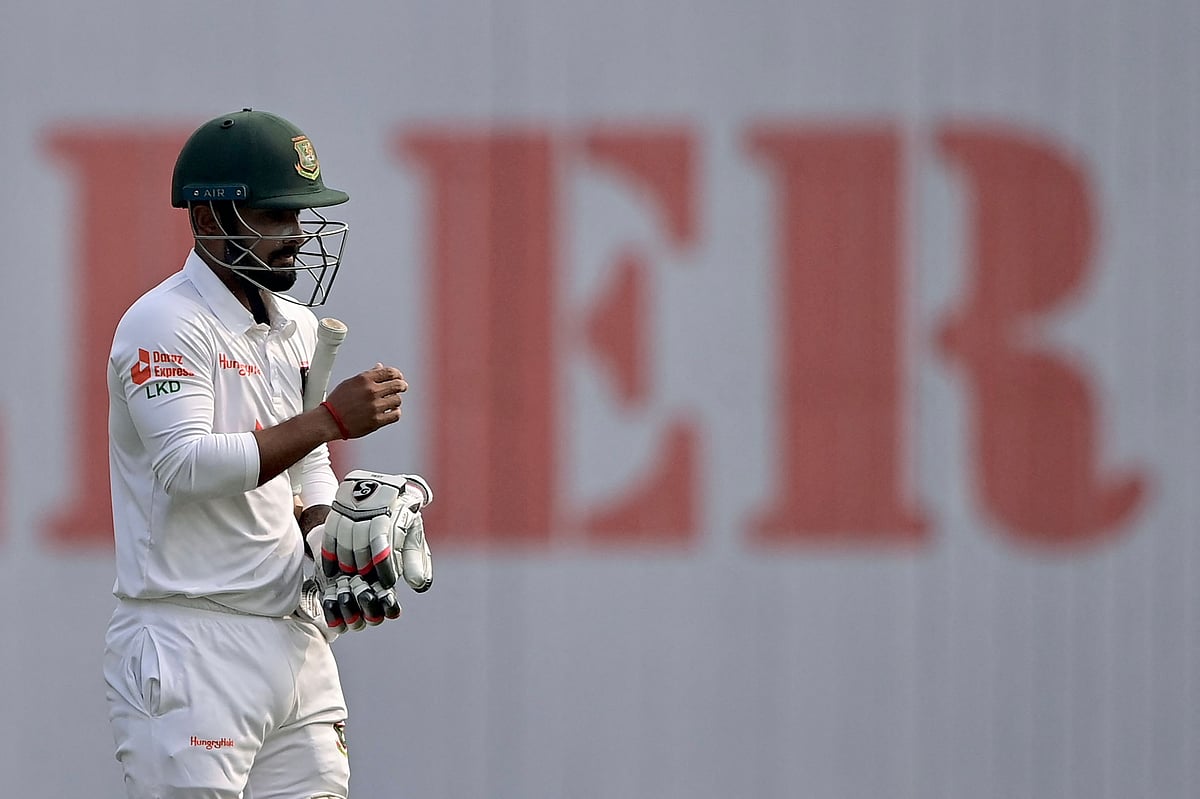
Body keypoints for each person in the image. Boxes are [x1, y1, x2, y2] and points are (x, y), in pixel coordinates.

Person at [102, 108, 432, 799]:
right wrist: (330, 419)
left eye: (298, 216)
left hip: (295, 637)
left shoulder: (299, 326)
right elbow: (186, 467)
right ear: (208, 219)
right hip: (190, 641)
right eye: (273, 215)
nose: (295, 236)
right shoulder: (163, 321)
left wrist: (323, 534)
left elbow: (308, 467)